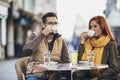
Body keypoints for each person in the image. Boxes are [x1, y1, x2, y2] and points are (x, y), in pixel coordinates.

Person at [23, 12, 70, 80]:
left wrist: (58, 73)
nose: (53, 25)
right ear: (43, 25)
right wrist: (42, 35)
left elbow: (66, 62)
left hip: (54, 75)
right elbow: (26, 52)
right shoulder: (35, 35)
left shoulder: (61, 40)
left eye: (55, 23)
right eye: (50, 23)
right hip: (36, 74)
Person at [73, 16, 119, 80]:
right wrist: (82, 41)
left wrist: (98, 77)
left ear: (102, 27)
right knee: (76, 75)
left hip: (105, 76)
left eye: (95, 26)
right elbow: (80, 61)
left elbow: (114, 67)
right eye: (91, 27)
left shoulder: (110, 43)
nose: (92, 29)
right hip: (90, 74)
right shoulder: (88, 42)